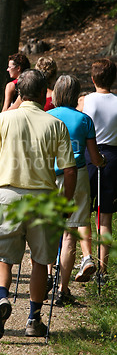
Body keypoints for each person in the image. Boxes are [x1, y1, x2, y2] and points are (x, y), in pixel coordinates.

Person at [0, 69, 77, 341]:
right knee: (40, 260)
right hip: (43, 197)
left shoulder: (4, 119)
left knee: (2, 256)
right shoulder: (54, 124)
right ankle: (33, 319)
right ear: (42, 92)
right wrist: (65, 202)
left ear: (19, 93)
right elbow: (70, 171)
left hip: (9, 194)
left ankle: (2, 299)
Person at [47, 75, 106, 306]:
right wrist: (102, 162)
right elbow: (94, 157)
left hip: (50, 176)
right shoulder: (84, 120)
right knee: (70, 232)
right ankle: (63, 288)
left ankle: (47, 275)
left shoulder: (47, 117)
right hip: (78, 175)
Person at [78, 58, 117, 283]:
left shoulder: (87, 100)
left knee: (83, 210)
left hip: (89, 156)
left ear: (93, 79)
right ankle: (103, 270)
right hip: (113, 158)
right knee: (105, 217)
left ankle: (86, 257)